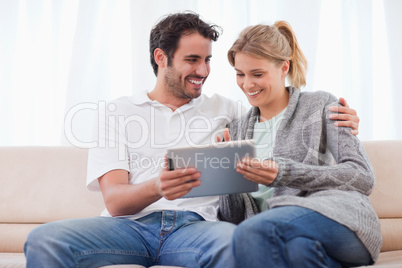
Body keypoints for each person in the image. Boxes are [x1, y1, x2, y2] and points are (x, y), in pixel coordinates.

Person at [24, 12, 361, 268]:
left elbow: (277, 108)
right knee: (44, 239)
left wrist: (338, 117)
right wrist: (159, 186)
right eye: (192, 60)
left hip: (197, 228)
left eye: (207, 59)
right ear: (161, 58)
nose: (203, 70)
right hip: (128, 227)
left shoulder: (229, 110)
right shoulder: (117, 112)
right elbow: (114, 201)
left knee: (243, 244)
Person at [218, 21, 382, 267]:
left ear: (284, 67)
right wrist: (226, 177)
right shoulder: (236, 130)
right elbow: (233, 217)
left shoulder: (321, 105)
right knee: (297, 252)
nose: (247, 84)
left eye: (257, 74)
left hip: (338, 218)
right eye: (240, 74)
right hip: (283, 236)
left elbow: (362, 176)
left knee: (251, 232)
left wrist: (284, 172)